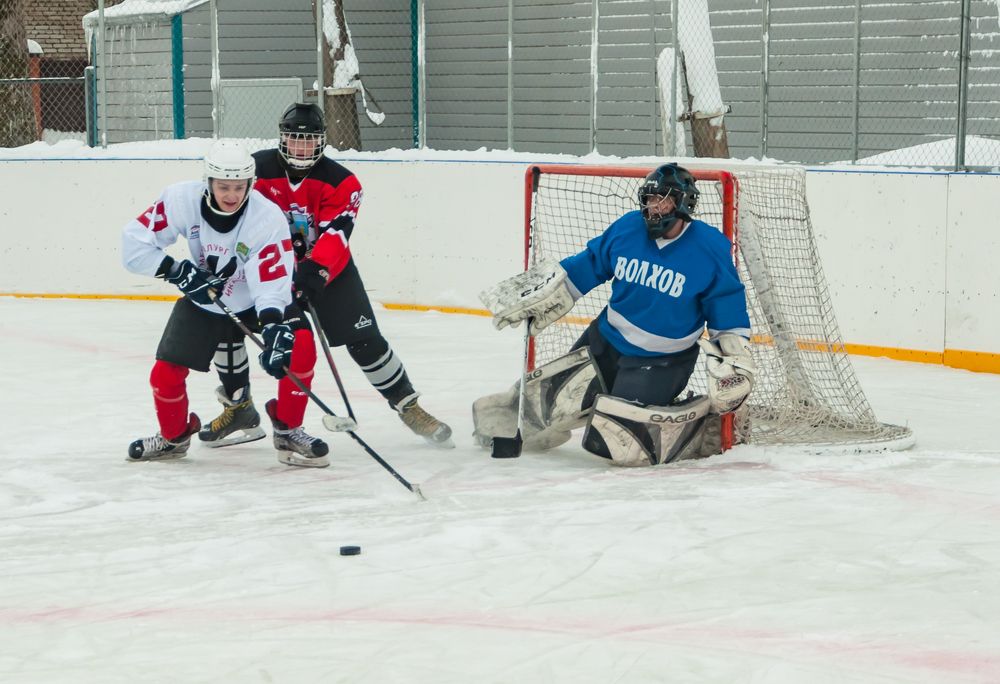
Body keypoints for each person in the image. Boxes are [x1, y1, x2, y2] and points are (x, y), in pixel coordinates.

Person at [198, 102, 454, 449]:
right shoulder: (255, 169)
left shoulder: (342, 182)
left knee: (366, 341)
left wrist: (316, 268)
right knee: (228, 327)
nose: (301, 147)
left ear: (321, 142)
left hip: (329, 273)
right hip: (267, 273)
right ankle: (239, 406)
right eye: (294, 139)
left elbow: (337, 233)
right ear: (282, 139)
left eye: (309, 140)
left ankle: (408, 405)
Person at [475, 163, 756, 466]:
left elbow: (725, 303)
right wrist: (546, 292)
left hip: (661, 362)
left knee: (615, 440)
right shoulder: (628, 228)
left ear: (684, 203)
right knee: (549, 405)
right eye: (650, 199)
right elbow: (590, 264)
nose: (654, 207)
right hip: (604, 342)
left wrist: (732, 353)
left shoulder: (709, 247)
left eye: (664, 199)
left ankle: (702, 425)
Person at [122, 140, 330, 467]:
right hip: (207, 300)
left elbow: (271, 280)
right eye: (223, 187)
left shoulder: (266, 216)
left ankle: (288, 430)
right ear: (208, 183)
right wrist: (177, 272)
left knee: (300, 346)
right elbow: (133, 245)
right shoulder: (180, 199)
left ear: (250, 184)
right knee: (164, 374)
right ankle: (173, 438)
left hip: (258, 300)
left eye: (239, 187)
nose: (231, 195)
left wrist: (274, 323)